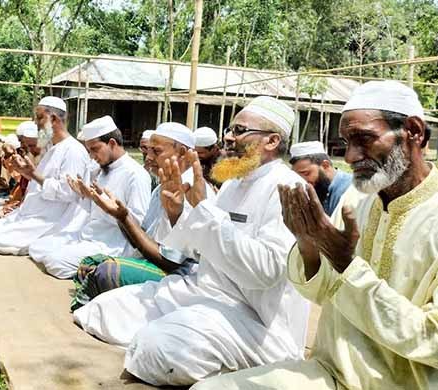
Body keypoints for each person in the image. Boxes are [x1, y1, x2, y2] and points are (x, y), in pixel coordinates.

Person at [194, 81, 438, 390]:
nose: (350, 156)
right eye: (346, 142)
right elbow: (321, 293)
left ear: (414, 131)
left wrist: (346, 265)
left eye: (364, 139)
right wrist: (308, 246)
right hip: (331, 374)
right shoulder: (356, 201)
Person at [73, 96, 311, 386]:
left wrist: (204, 209)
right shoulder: (234, 183)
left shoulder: (288, 188)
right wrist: (178, 213)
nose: (228, 137)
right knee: (102, 310)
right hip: (208, 294)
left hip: (258, 322)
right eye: (230, 129)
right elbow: (198, 247)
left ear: (272, 141)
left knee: (155, 348)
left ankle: (248, 370)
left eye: (238, 131)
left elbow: (264, 272)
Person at [70, 122, 217, 310]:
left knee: (107, 272)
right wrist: (117, 215)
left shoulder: (192, 190)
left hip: (180, 275)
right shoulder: (161, 188)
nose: (148, 158)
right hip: (152, 261)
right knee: (90, 264)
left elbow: (173, 262)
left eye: (156, 151)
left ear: (181, 152)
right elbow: (144, 237)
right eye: (148, 151)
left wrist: (123, 218)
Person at [29, 116, 151, 279]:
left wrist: (108, 208)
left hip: (114, 244)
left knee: (54, 262)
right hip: (91, 236)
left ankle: (102, 270)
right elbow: (93, 212)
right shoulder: (103, 170)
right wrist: (85, 196)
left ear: (112, 143)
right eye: (89, 151)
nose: (92, 156)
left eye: (94, 149)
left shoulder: (136, 174)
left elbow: (138, 223)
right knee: (38, 247)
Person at [0, 96, 92, 255]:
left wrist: (33, 175)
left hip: (53, 219)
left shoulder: (73, 151)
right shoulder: (53, 148)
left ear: (53, 119)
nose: (36, 123)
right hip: (36, 213)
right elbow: (40, 181)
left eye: (39, 118)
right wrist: (26, 173)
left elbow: (67, 193)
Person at [289, 141, 353, 216]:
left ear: (325, 165)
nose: (302, 181)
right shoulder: (318, 187)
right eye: (298, 176)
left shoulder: (349, 190)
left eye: (306, 173)